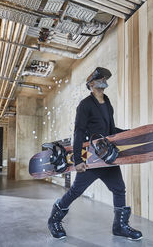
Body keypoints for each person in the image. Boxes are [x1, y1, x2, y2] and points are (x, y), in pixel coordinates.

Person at [48, 67, 142, 241]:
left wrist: (129, 133)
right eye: (100, 79)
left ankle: (119, 226)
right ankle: (54, 219)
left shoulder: (107, 102)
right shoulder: (85, 105)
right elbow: (78, 131)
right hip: (92, 158)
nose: (103, 81)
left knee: (119, 189)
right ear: (91, 84)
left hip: (108, 156)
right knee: (76, 190)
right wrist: (77, 160)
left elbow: (110, 130)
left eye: (104, 78)